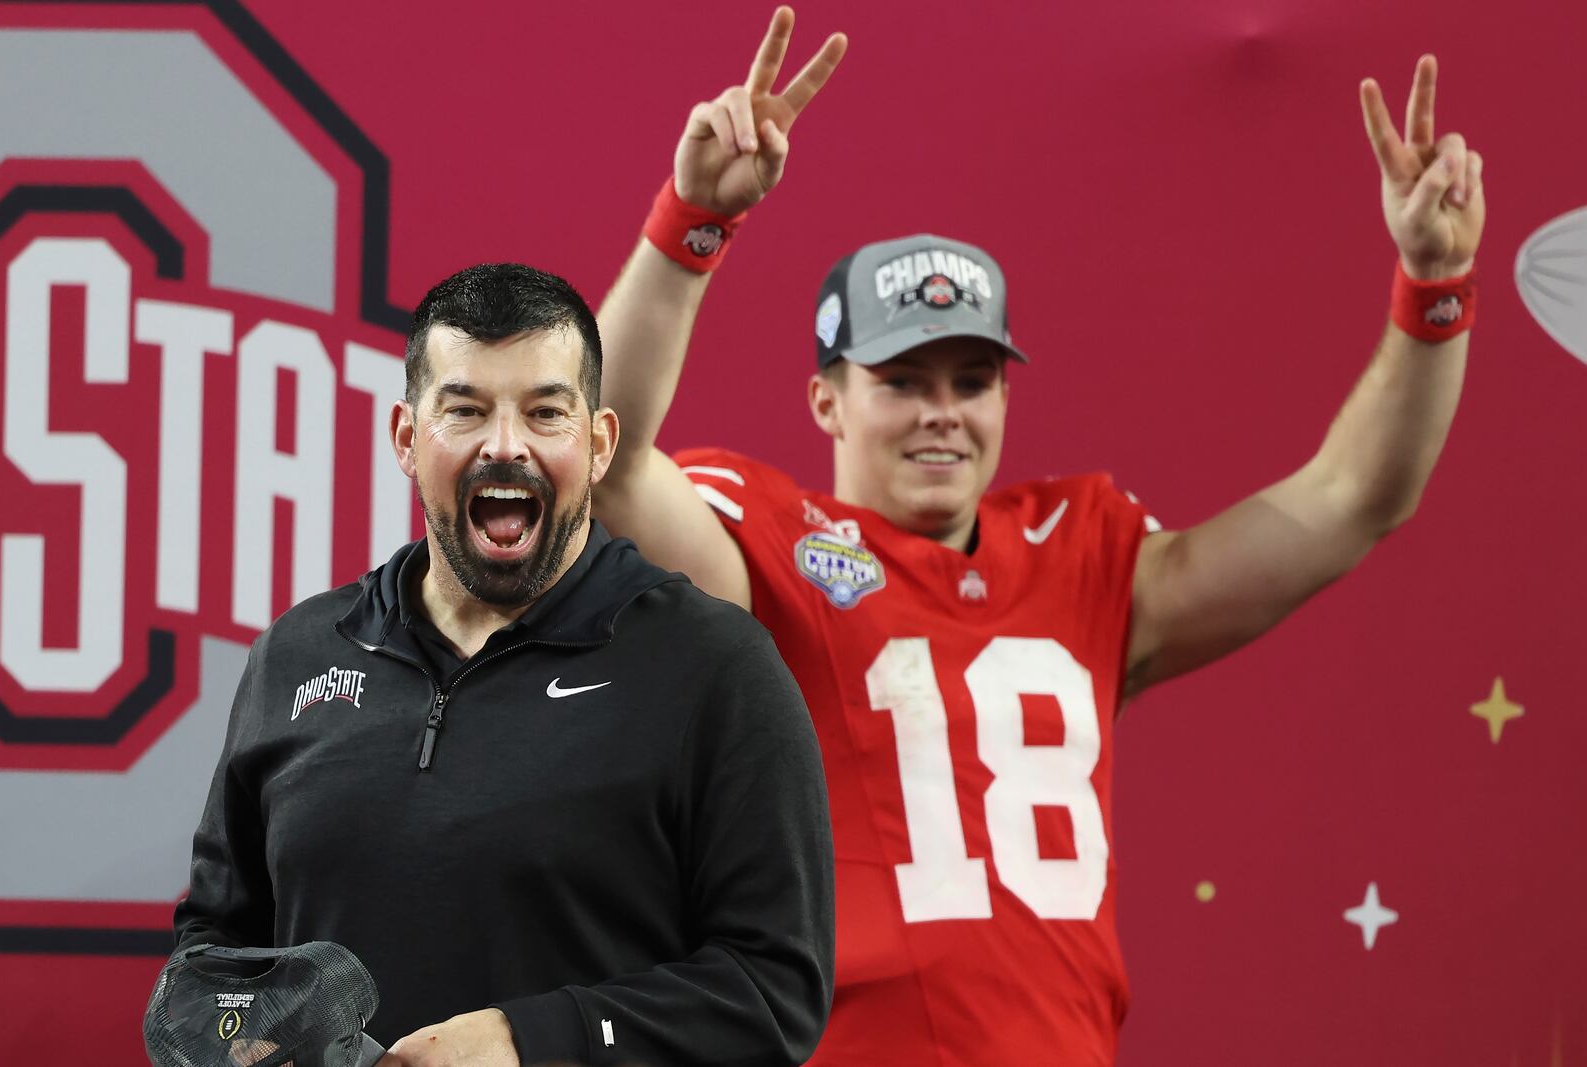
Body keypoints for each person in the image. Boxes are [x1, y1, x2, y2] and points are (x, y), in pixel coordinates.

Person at [590, 8, 1484, 1065]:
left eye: (972, 381)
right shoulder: (773, 539)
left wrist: (1433, 290)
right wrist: (691, 221)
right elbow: (601, 456)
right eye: (902, 381)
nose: (943, 412)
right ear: (826, 400)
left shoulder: (1081, 555)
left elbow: (1353, 498)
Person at [172, 262, 835, 1067]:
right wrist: (231, 1034)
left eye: (545, 412)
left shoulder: (716, 666)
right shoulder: (297, 654)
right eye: (466, 409)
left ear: (598, 445)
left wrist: (530, 1040)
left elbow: (774, 990)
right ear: (408, 440)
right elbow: (212, 953)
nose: (505, 445)